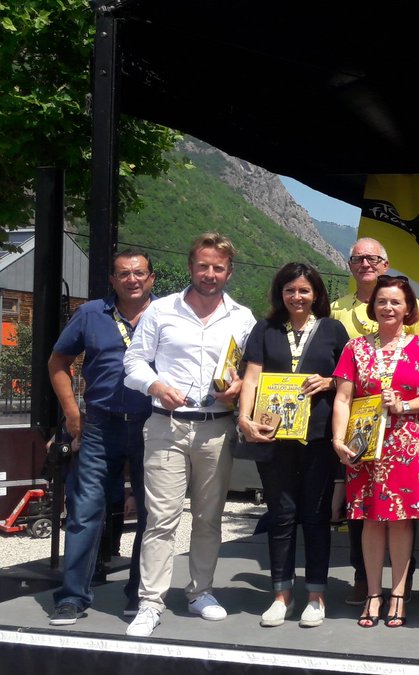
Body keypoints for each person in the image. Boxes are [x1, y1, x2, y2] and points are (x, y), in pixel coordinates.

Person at [122, 232, 256, 637]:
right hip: (167, 424)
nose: (209, 274)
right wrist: (155, 386)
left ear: (229, 272)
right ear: (190, 266)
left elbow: (250, 371)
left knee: (208, 518)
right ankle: (150, 602)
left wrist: (237, 390)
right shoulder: (161, 310)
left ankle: (200, 592)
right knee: (161, 519)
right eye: (203, 266)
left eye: (218, 267)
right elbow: (133, 361)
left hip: (216, 428)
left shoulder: (243, 317)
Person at [48, 249, 156, 626]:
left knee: (151, 514)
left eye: (139, 273)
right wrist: (72, 413)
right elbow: (57, 363)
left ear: (151, 278)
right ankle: (72, 597)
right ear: (112, 280)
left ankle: (140, 595)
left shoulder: (168, 315)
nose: (132, 279)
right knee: (84, 511)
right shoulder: (91, 313)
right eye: (124, 274)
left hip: (152, 425)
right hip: (100, 425)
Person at [237, 263, 349, 628]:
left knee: (316, 517)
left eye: (303, 290)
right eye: (290, 290)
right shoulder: (265, 329)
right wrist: (244, 417)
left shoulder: (333, 330)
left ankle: (316, 595)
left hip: (318, 437)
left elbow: (349, 380)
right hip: (274, 436)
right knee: (281, 515)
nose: (297, 297)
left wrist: (330, 383)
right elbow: (252, 377)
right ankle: (281, 594)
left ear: (316, 293)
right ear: (279, 293)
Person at [331, 275, 419, 628]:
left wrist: (405, 406)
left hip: (407, 443)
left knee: (400, 520)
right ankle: (372, 594)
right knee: (370, 520)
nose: (388, 308)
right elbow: (343, 398)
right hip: (364, 444)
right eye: (382, 301)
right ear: (372, 307)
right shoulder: (355, 348)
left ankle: (397, 594)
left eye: (396, 302)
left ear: (408, 308)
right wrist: (337, 439)